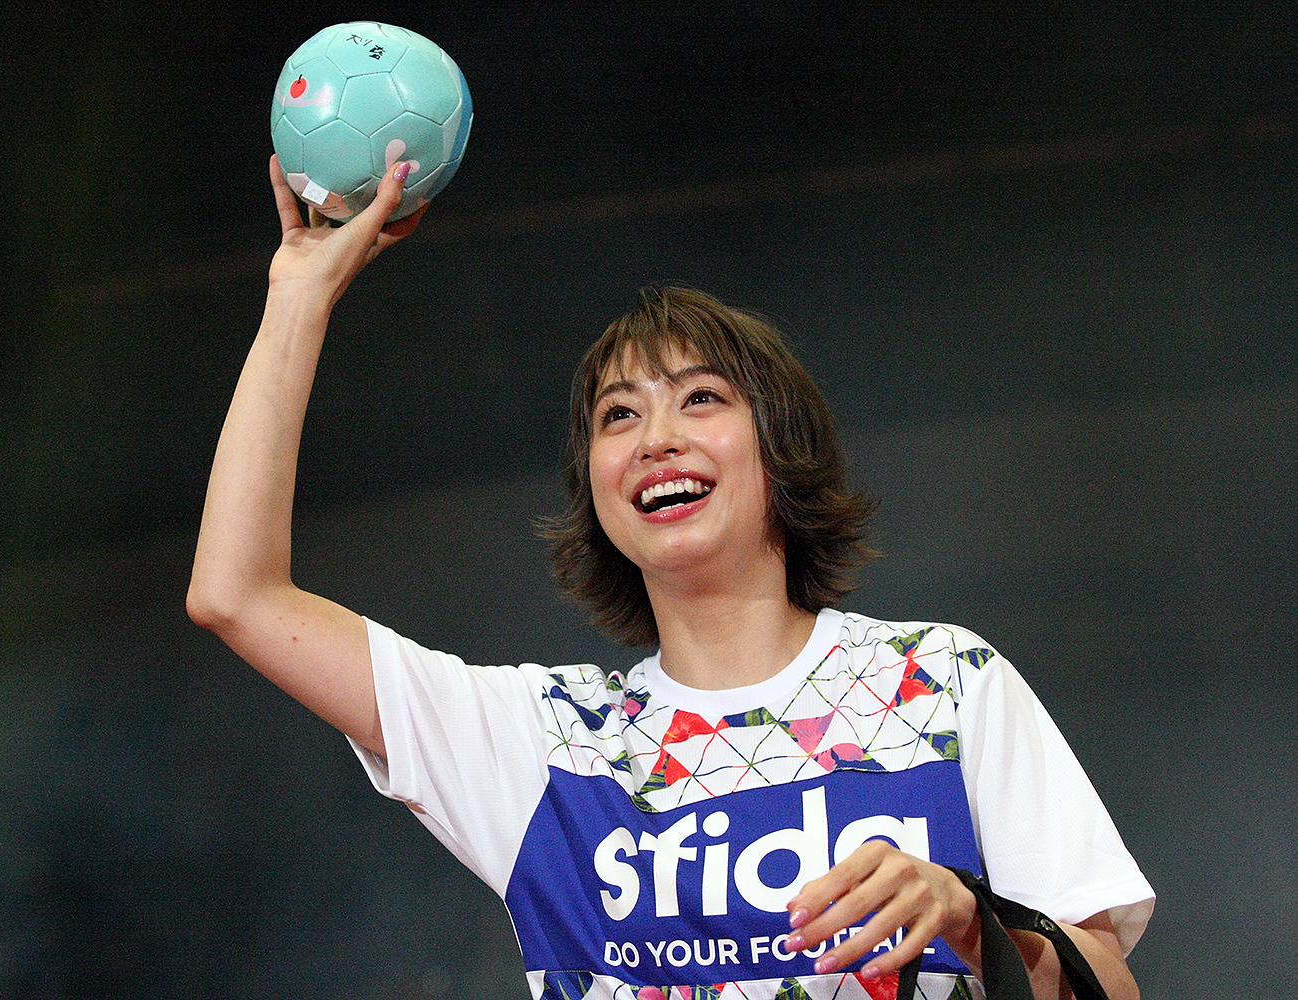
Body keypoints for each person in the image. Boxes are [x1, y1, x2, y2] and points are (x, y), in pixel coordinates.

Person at [188, 157, 1154, 999]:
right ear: (596, 489)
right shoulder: (547, 747)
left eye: (700, 398)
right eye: (619, 416)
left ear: (779, 450)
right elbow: (237, 595)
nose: (656, 438)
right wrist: (299, 294)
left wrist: (970, 920)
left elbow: (1110, 985)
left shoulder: (942, 680)